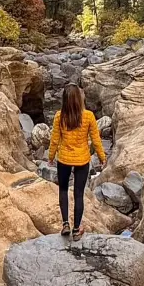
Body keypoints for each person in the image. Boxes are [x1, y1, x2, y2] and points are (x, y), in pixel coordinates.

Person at [48, 84, 106, 240]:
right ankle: (76, 230)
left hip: (64, 159)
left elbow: (55, 140)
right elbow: (96, 140)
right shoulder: (88, 116)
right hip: (82, 160)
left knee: (63, 190)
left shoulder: (59, 116)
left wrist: (51, 157)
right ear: (79, 98)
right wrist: (102, 157)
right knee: (78, 194)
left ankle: (65, 224)